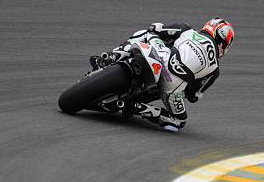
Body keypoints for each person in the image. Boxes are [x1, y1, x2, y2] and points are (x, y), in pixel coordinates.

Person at [96, 17, 234, 131]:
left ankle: (113, 55)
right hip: (171, 86)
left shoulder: (187, 30)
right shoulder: (214, 70)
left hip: (161, 57)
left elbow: (156, 28)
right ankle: (138, 107)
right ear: (225, 45)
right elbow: (193, 96)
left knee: (148, 33)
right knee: (179, 121)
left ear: (209, 26)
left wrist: (162, 37)